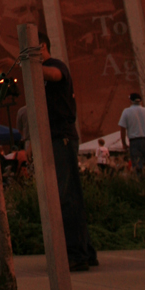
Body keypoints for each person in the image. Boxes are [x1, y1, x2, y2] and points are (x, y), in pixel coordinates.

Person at [39, 37, 98, 272]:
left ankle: (76, 253)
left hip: (61, 138)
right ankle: (85, 250)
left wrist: (28, 64)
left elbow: (55, 75)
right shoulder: (41, 74)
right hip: (54, 138)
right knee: (67, 194)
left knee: (66, 196)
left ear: (41, 45)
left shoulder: (55, 65)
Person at [118, 92, 145, 172]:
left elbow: (123, 129)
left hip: (135, 142)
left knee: (138, 166)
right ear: (140, 101)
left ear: (130, 101)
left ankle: (142, 182)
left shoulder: (126, 112)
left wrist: (124, 143)